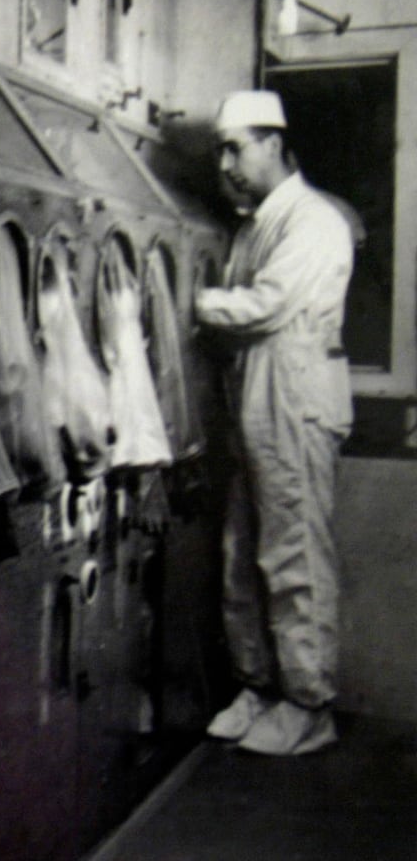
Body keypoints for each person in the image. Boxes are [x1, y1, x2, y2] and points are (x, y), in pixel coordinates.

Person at [195, 90, 354, 756]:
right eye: (221, 150)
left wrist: (191, 300)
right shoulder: (255, 223)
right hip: (258, 405)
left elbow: (265, 306)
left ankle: (309, 705)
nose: (227, 163)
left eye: (238, 147)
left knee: (294, 559)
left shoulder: (312, 220)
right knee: (243, 555)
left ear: (275, 146)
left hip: (295, 404)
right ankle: (257, 687)